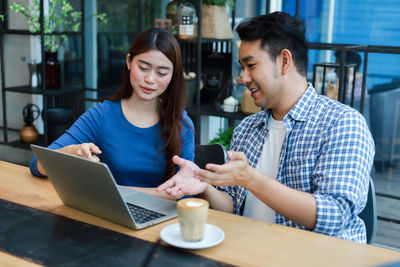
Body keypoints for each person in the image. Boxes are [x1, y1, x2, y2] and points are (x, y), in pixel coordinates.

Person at [157, 12, 375, 243]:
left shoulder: (342, 123)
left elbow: (334, 215)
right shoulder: (248, 128)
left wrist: (250, 178)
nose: (243, 78)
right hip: (250, 252)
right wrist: (205, 188)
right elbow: (232, 206)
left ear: (284, 61)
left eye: (251, 65)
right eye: (242, 67)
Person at [30, 28, 195, 198]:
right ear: (129, 62)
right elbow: (37, 164)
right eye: (143, 67)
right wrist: (71, 152)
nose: (150, 79)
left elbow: (185, 193)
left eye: (162, 73)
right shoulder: (101, 116)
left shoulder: (181, 123)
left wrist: (114, 192)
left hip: (163, 219)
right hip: (110, 216)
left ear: (173, 75)